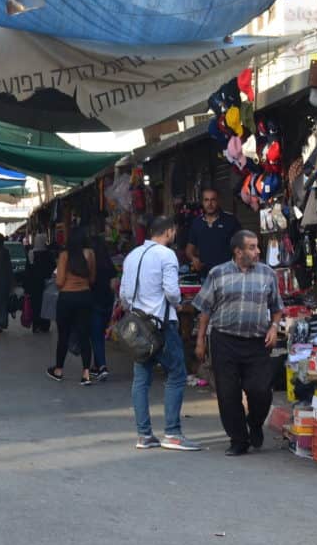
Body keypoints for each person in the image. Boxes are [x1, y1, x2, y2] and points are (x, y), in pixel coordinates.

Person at [193, 230, 284, 456]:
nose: (258, 251)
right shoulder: (218, 274)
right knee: (228, 393)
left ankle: (254, 423)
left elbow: (277, 308)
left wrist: (274, 328)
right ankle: (238, 439)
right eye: (252, 247)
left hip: (257, 342)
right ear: (238, 251)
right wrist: (200, 341)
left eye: (257, 247)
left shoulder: (268, 274)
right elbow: (205, 310)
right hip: (224, 340)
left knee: (261, 390)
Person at [119, 216, 200, 451]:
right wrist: (177, 303)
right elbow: (172, 293)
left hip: (138, 328)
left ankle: (144, 435)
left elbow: (124, 295)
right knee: (176, 374)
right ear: (169, 232)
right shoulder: (166, 255)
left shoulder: (132, 256)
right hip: (162, 325)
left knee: (141, 379)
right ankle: (173, 433)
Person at [46, 227, 96, 385]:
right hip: (85, 296)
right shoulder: (90, 254)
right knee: (84, 336)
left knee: (63, 336)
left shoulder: (64, 256)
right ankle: (86, 374)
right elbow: (92, 279)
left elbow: (59, 281)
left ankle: (58, 370)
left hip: (66, 298)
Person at [185, 188, 241, 279]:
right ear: (202, 202)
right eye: (206, 200)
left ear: (218, 201)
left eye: (213, 200)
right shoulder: (197, 222)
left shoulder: (230, 220)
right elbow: (189, 249)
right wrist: (193, 259)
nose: (209, 204)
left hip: (228, 275)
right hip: (205, 276)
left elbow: (242, 246)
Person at [89, 238, 117, 381]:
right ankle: (96, 365)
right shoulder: (109, 265)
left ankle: (102, 367)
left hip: (94, 303)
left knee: (96, 336)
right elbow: (113, 286)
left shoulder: (90, 266)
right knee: (99, 335)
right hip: (107, 304)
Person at [25, 233, 56, 333]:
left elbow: (28, 271)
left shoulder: (31, 254)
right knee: (46, 304)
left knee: (36, 305)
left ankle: (36, 325)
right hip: (47, 284)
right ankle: (45, 326)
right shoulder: (49, 254)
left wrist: (27, 287)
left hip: (34, 285)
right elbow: (53, 268)